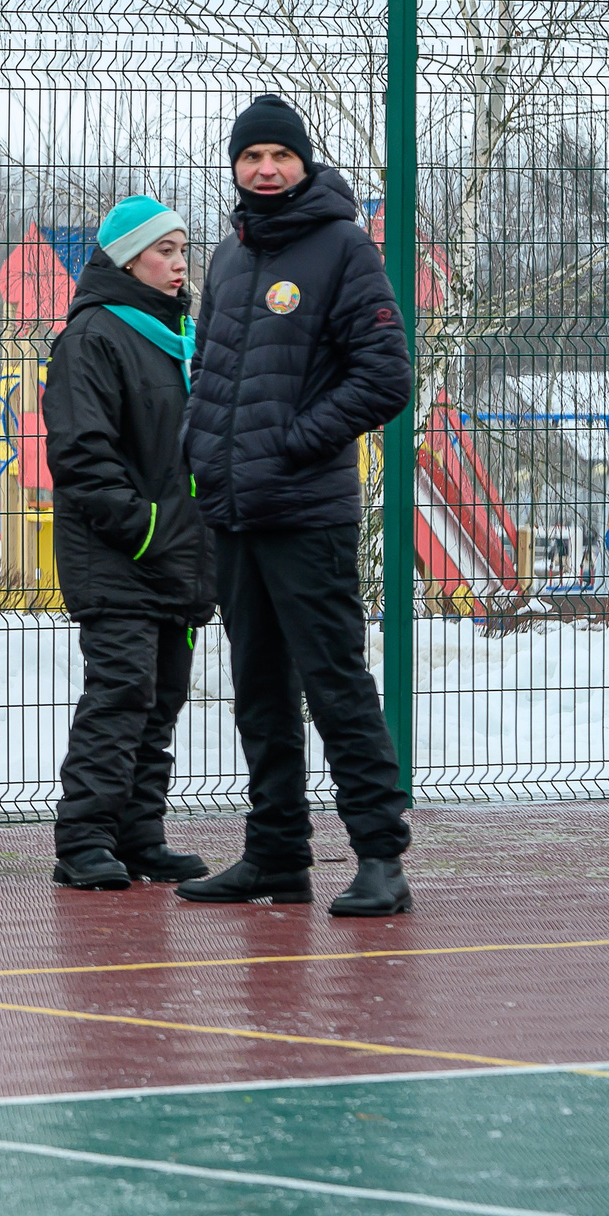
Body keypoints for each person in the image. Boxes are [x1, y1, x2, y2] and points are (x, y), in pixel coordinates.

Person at [177, 96, 414, 917]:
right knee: (259, 688)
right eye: (251, 157)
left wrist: (294, 440)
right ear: (235, 169)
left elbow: (386, 375)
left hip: (307, 512)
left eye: (280, 155)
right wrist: (199, 448)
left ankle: (380, 855)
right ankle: (276, 853)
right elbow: (206, 367)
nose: (265, 169)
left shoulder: (343, 247)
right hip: (235, 511)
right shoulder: (228, 257)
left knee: (334, 680)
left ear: (304, 163)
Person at [41, 197, 215, 890]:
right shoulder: (93, 335)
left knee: (162, 696)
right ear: (127, 257)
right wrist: (144, 527)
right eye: (165, 251)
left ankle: (141, 833)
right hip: (119, 552)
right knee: (120, 692)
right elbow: (82, 452)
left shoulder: (180, 338)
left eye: (182, 250)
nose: (179, 264)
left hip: (177, 552)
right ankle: (83, 836)